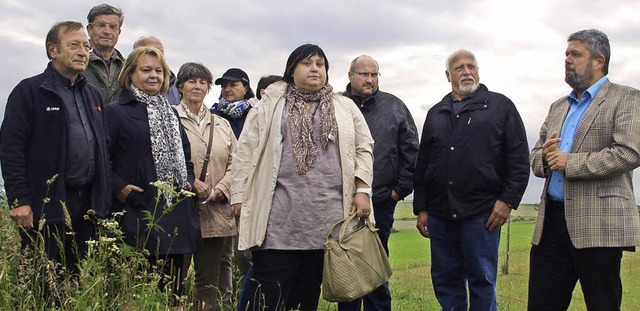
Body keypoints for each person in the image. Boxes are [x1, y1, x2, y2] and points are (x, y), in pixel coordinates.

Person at [230, 43, 374, 311]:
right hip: (278, 221)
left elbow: (363, 147)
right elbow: (244, 153)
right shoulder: (269, 106)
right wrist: (238, 195)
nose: (315, 68)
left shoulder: (344, 107)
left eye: (320, 64)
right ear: (291, 69)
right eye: (307, 63)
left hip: (328, 221)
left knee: (306, 296)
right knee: (268, 294)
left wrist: (362, 190)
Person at [528, 29, 640, 311]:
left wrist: (570, 162)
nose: (567, 60)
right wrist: (546, 158)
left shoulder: (625, 98)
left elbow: (629, 152)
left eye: (575, 54)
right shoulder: (557, 107)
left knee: (603, 304)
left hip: (598, 224)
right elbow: (536, 157)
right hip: (551, 224)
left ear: (599, 60)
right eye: (566, 54)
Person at [413, 49, 530, 310]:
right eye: (459, 68)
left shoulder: (500, 107)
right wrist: (422, 208)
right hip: (441, 213)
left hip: (482, 212)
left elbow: (519, 158)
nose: (466, 72)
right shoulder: (436, 114)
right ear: (448, 75)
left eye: (471, 67)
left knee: (482, 280)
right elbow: (423, 165)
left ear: (478, 71)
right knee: (445, 280)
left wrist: (507, 201)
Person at [0, 21, 110, 272]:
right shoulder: (30, 91)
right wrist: (18, 200)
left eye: (86, 46)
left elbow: (104, 146)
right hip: (46, 204)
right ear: (53, 50)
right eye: (74, 45)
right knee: (44, 280)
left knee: (79, 280)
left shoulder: (93, 95)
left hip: (88, 205)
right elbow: (11, 149)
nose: (83, 52)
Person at [105, 46, 202, 303]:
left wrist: (188, 182)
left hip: (175, 215)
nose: (153, 76)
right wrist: (119, 188)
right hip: (136, 214)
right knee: (138, 292)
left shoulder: (170, 113)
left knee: (175, 293)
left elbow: (186, 156)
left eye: (158, 71)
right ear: (130, 74)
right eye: (146, 70)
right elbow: (103, 158)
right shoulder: (116, 112)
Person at [339, 55, 419, 311]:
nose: (369, 79)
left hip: (381, 200)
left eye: (374, 75)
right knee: (345, 263)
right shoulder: (336, 105)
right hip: (341, 199)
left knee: (375, 261)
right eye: (364, 74)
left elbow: (411, 150)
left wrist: (398, 191)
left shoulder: (394, 106)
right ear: (350, 75)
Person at [175, 62, 237, 310]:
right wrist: (189, 182)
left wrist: (221, 188)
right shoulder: (170, 118)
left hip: (216, 210)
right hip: (182, 209)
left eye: (202, 82)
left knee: (209, 282)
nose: (197, 86)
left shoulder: (222, 124)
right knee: (174, 280)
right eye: (191, 81)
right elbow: (164, 158)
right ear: (180, 86)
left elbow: (238, 161)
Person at [84, 3, 125, 104]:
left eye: (112, 27)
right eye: (101, 25)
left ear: (119, 32)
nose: (107, 31)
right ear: (89, 30)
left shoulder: (127, 68)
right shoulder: (76, 62)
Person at [211, 68, 259, 138]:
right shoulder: (212, 115)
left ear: (245, 88)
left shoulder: (255, 114)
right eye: (224, 86)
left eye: (233, 85)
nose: (227, 90)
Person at [133, 35, 180, 105]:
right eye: (150, 52)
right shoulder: (120, 87)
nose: (156, 55)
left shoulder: (175, 86)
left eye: (160, 52)